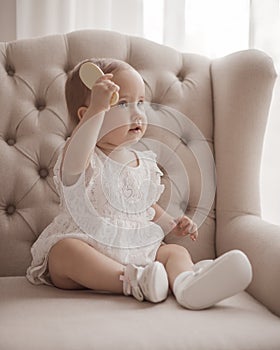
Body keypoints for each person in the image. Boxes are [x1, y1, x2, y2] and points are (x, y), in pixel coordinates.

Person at [26, 58, 252, 310]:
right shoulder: (83, 158)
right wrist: (96, 111)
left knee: (173, 253)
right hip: (89, 246)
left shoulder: (142, 162)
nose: (137, 113)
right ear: (86, 116)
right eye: (122, 104)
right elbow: (76, 156)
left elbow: (145, 206)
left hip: (136, 248)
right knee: (64, 253)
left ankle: (187, 284)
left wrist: (172, 223)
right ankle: (133, 281)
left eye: (141, 103)